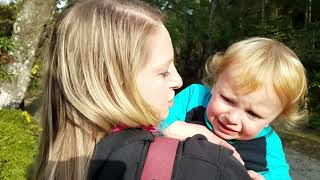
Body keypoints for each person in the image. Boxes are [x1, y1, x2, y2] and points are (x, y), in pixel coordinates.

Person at [33, 0, 251, 180]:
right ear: (111, 83)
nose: (178, 80)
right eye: (164, 71)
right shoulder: (207, 165)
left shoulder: (57, 164)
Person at [160, 37, 308, 180]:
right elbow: (152, 120)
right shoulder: (194, 97)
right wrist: (202, 134)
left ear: (273, 118)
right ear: (216, 81)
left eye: (252, 114)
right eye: (227, 99)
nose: (232, 118)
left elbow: (280, 176)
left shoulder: (268, 143)